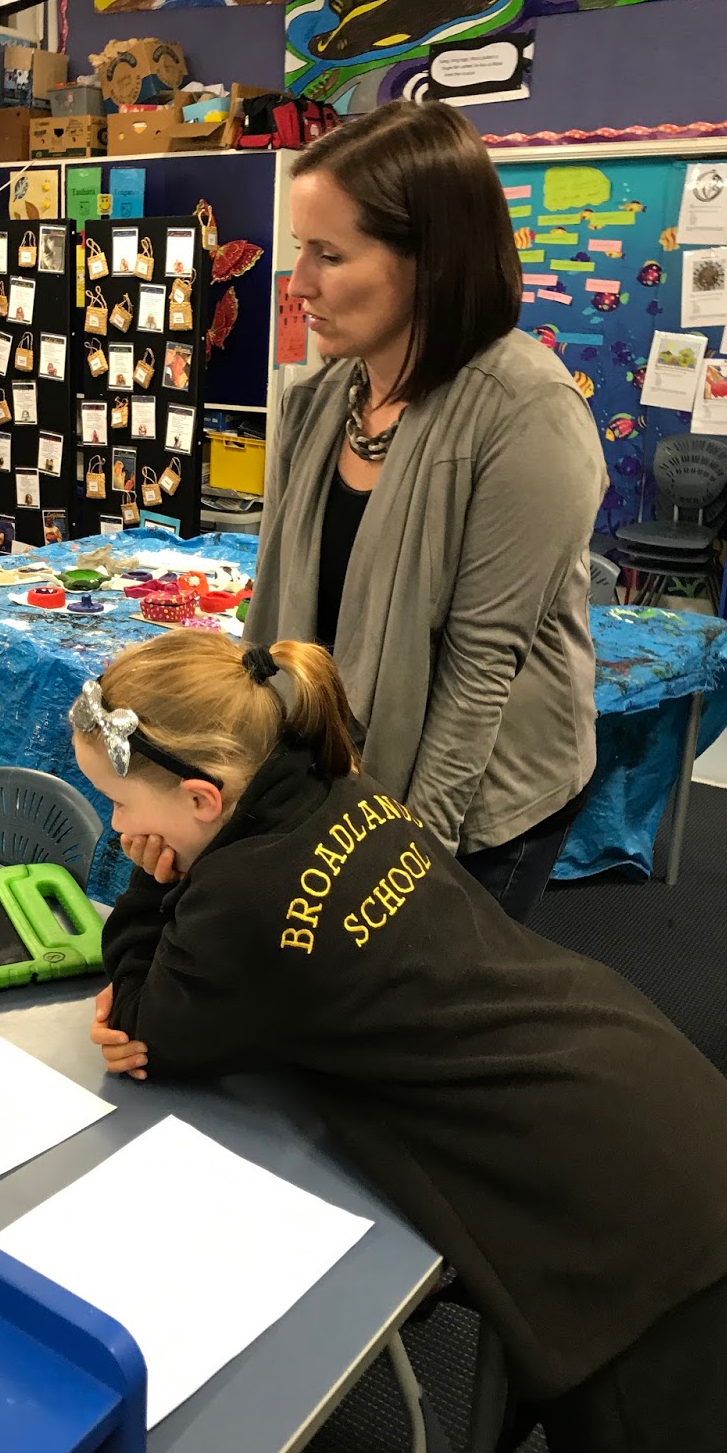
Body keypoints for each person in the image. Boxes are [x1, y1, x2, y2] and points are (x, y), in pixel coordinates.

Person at [71, 631, 727, 1453]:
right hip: (655, 1099)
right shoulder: (336, 785)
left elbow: (145, 1027)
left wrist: (152, 883)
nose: (118, 828)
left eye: (120, 805)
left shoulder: (241, 900)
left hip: (629, 1228)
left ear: (202, 798)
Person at [244, 101, 608, 923]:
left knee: (419, 990)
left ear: (431, 263)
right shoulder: (323, 400)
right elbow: (279, 614)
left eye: (330, 255)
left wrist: (409, 869)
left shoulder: (525, 412)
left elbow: (479, 674)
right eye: (301, 248)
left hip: (477, 803)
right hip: (344, 773)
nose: (299, 285)